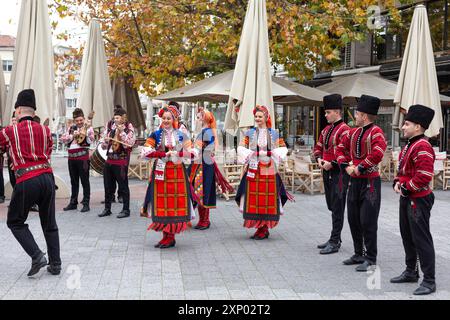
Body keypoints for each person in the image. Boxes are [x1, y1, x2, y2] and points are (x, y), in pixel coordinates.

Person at [0, 89, 61, 277]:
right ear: (33, 113)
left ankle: (37, 256)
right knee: (49, 222)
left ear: (18, 111)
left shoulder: (10, 131)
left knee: (15, 221)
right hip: (47, 178)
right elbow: (48, 153)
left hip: (27, 179)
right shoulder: (46, 130)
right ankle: (56, 264)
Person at [336, 94, 387, 272]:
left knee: (368, 220)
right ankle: (358, 253)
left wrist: (358, 168)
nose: (355, 116)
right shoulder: (353, 132)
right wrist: (345, 165)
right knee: (353, 218)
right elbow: (339, 148)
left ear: (364, 115)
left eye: (357, 114)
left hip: (370, 182)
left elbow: (378, 154)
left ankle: (371, 257)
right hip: (355, 182)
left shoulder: (377, 132)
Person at [390, 105, 437, 295]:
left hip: (419, 200)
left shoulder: (423, 146)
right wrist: (396, 181)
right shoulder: (410, 144)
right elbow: (403, 170)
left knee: (421, 239)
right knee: (407, 236)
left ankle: (429, 280)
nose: (403, 127)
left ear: (418, 127)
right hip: (408, 198)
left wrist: (405, 187)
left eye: (406, 124)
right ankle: (411, 271)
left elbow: (424, 175)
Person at [140, 105, 195, 248]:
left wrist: (179, 154)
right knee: (161, 203)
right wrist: (163, 154)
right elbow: (145, 152)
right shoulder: (156, 134)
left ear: (174, 119)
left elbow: (193, 153)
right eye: (164, 118)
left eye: (168, 118)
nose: (166, 120)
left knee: (174, 202)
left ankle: (170, 237)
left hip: (177, 172)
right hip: (160, 172)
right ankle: (166, 236)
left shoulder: (181, 135)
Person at [236, 105, 292, 240]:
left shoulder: (274, 133)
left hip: (269, 168)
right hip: (254, 168)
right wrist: (252, 153)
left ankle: (264, 227)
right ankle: (259, 227)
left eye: (260, 116)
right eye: (256, 116)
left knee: (267, 198)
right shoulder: (249, 133)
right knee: (254, 197)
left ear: (266, 117)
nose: (257, 119)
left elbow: (283, 148)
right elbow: (241, 147)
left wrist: (270, 152)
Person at [313, 94, 351, 254]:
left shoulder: (346, 130)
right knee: (331, 204)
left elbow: (347, 153)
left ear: (337, 112)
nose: (325, 115)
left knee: (337, 206)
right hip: (326, 171)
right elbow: (317, 147)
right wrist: (319, 159)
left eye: (328, 112)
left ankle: (335, 240)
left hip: (339, 174)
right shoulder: (326, 129)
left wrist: (332, 163)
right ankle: (334, 238)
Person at [189, 110, 233, 230]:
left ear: (204, 119)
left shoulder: (206, 132)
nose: (196, 119)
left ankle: (205, 220)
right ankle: (201, 219)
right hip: (200, 164)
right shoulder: (205, 131)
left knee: (203, 191)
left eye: (198, 118)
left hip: (204, 165)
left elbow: (197, 148)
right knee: (199, 190)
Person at [99, 106, 136, 218]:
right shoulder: (111, 128)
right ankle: (107, 208)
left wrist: (121, 133)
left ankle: (126, 209)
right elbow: (104, 145)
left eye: (118, 118)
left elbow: (129, 144)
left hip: (121, 161)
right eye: (114, 117)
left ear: (123, 119)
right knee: (107, 185)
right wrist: (104, 142)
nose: (115, 120)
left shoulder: (129, 129)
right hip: (109, 160)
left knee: (123, 186)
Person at [60, 108, 94, 212]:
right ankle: (73, 202)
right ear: (74, 120)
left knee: (85, 181)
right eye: (77, 120)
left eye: (81, 120)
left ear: (84, 119)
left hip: (82, 157)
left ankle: (86, 203)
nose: (79, 122)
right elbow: (63, 139)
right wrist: (72, 136)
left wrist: (85, 133)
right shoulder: (71, 128)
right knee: (73, 181)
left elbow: (91, 140)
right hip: (71, 158)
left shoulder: (88, 128)